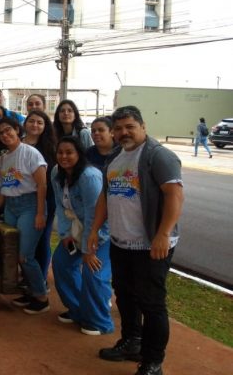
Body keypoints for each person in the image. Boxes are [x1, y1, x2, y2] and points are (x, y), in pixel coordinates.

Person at [88, 106, 183, 375]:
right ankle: (132, 342)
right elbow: (105, 197)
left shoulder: (158, 156)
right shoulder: (116, 157)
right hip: (121, 242)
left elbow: (175, 196)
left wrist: (163, 234)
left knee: (152, 303)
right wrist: (94, 229)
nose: (123, 132)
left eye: (129, 126)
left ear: (143, 126)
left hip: (151, 245)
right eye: (118, 128)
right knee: (126, 297)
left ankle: (153, 362)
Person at [51, 136, 113, 336]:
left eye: (69, 152)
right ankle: (78, 310)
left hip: (102, 232)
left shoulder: (89, 176)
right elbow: (60, 207)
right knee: (61, 262)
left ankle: (100, 321)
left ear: (79, 154)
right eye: (60, 152)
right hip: (75, 229)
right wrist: (65, 234)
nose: (64, 156)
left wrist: (88, 250)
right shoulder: (55, 173)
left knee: (93, 272)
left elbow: (95, 216)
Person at [0, 117, 49, 314]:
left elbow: (42, 185)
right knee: (14, 253)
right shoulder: (3, 158)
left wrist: (40, 213)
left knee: (25, 255)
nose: (5, 135)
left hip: (30, 204)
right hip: (11, 206)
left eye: (8, 130)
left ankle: (41, 297)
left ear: (17, 130)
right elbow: (5, 188)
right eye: (1, 133)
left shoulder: (30, 153)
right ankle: (30, 291)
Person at [23, 110, 57, 282]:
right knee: (25, 242)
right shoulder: (16, 145)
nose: (35, 125)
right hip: (21, 201)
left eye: (40, 122)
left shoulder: (50, 149)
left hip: (46, 199)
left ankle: (41, 279)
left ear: (45, 127)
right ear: (25, 123)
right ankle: (28, 279)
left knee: (42, 239)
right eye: (31, 121)